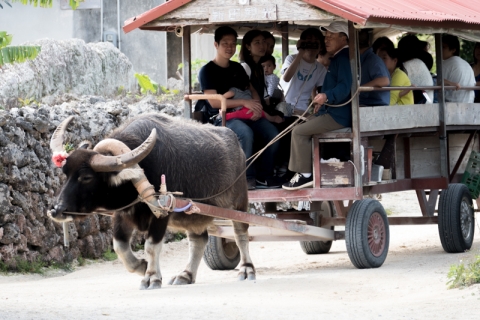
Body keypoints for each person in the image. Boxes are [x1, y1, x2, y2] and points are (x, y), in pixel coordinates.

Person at [198, 26, 280, 190]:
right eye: (225, 44)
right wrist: (243, 103)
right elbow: (214, 103)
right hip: (222, 118)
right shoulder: (207, 71)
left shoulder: (237, 68)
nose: (229, 48)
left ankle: (264, 176)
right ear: (216, 45)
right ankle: (244, 178)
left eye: (233, 44)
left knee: (273, 133)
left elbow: (251, 90)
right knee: (245, 133)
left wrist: (256, 106)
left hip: (246, 114)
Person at [282, 21, 352, 190]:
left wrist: (326, 96)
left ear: (344, 38)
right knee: (302, 126)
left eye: (331, 36)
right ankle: (309, 169)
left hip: (338, 115)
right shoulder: (340, 57)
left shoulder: (342, 58)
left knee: (298, 131)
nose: (326, 40)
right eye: (326, 36)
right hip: (334, 110)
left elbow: (344, 87)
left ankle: (305, 174)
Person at [280, 27, 327, 114]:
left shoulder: (321, 69)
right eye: (308, 41)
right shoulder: (291, 59)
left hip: (303, 109)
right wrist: (301, 51)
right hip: (285, 105)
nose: (312, 45)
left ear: (321, 46)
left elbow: (321, 90)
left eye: (316, 42)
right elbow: (286, 78)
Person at [398, 35, 434, 104]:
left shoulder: (408, 65)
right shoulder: (419, 62)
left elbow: (398, 84)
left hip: (420, 103)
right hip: (427, 102)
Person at [358, 29, 390, 106]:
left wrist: (360, 89)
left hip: (375, 105)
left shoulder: (373, 59)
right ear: (369, 42)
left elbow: (384, 81)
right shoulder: (362, 59)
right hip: (367, 104)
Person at [442, 34, 475, 103]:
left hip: (452, 105)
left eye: (443, 47)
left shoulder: (447, 63)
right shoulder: (466, 64)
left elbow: (438, 82)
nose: (440, 50)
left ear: (453, 50)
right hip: (469, 104)